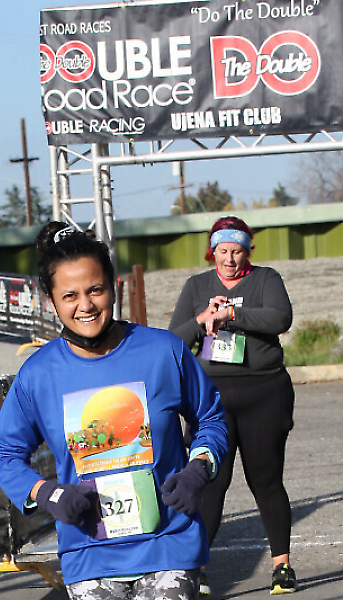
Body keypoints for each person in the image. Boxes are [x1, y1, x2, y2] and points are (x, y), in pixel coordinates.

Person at [0, 222, 228, 600]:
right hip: (89, 557)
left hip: (168, 546)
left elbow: (210, 418)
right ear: (51, 302)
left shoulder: (163, 351)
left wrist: (199, 469)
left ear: (114, 289)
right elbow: (4, 453)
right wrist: (46, 492)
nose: (85, 305)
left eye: (95, 290)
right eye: (70, 296)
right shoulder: (38, 374)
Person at [169, 216, 297, 595]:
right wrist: (203, 318)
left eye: (237, 251)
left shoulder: (266, 279)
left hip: (264, 392)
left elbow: (280, 318)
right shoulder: (196, 286)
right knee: (210, 482)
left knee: (266, 481)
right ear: (212, 252)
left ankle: (282, 566)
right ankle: (199, 570)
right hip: (212, 400)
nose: (230, 259)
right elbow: (174, 340)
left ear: (247, 251)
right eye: (223, 251)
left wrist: (232, 314)